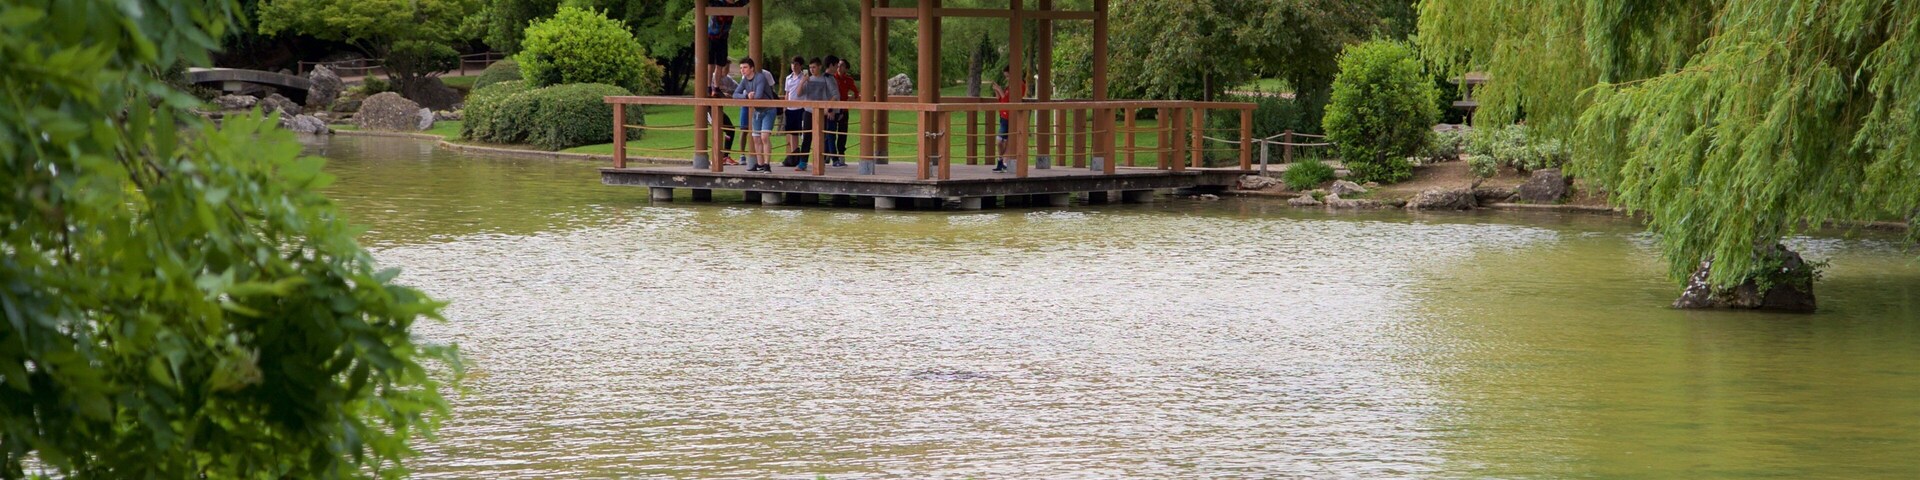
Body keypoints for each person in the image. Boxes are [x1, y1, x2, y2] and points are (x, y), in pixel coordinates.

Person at [732, 57, 779, 172]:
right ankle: (760, 164)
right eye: (741, 68)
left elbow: (757, 96)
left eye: (745, 67)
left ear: (752, 68)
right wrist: (746, 96)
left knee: (764, 136)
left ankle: (767, 164)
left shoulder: (760, 78)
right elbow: (735, 94)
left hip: (768, 109)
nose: (742, 70)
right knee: (756, 138)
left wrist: (750, 96)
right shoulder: (744, 80)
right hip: (757, 111)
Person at [794, 57, 840, 171]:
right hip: (808, 111)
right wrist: (802, 81)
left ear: (819, 67)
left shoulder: (826, 79)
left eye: (814, 67)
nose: (812, 69)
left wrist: (828, 108)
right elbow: (798, 94)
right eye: (810, 67)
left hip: (821, 112)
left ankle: (820, 161)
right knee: (806, 137)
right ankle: (803, 162)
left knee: (821, 137)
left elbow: (835, 95)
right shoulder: (808, 79)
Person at [828, 56, 859, 167]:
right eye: (838, 65)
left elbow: (856, 92)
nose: (839, 67)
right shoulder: (832, 78)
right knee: (830, 133)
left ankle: (841, 156)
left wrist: (852, 98)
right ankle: (830, 156)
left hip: (844, 109)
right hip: (833, 109)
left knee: (842, 134)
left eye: (842, 65)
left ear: (846, 68)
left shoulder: (848, 80)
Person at [989, 65, 1017, 173]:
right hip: (1003, 115)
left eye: (1008, 76)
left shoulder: (1018, 85)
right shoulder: (1009, 87)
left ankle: (1002, 161)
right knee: (1003, 141)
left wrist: (1000, 90)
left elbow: (1008, 101)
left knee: (1000, 140)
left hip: (1009, 116)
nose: (1007, 78)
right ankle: (1001, 162)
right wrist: (997, 90)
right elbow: (1001, 99)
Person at [708, 67, 739, 165]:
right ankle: (716, 158)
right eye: (726, 68)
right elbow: (711, 93)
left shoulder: (727, 79)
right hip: (708, 110)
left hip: (718, 110)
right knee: (717, 130)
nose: (728, 70)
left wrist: (730, 94)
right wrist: (722, 95)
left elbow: (738, 89)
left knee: (730, 130)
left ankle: (725, 156)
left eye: (729, 68)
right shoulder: (712, 78)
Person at [782, 56, 809, 167]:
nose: (794, 66)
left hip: (800, 108)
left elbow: (801, 93)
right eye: (792, 64)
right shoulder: (788, 78)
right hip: (790, 108)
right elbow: (787, 93)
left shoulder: (804, 78)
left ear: (800, 66)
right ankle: (794, 154)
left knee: (801, 132)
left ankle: (801, 155)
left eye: (796, 64)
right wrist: (785, 105)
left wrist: (803, 82)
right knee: (792, 132)